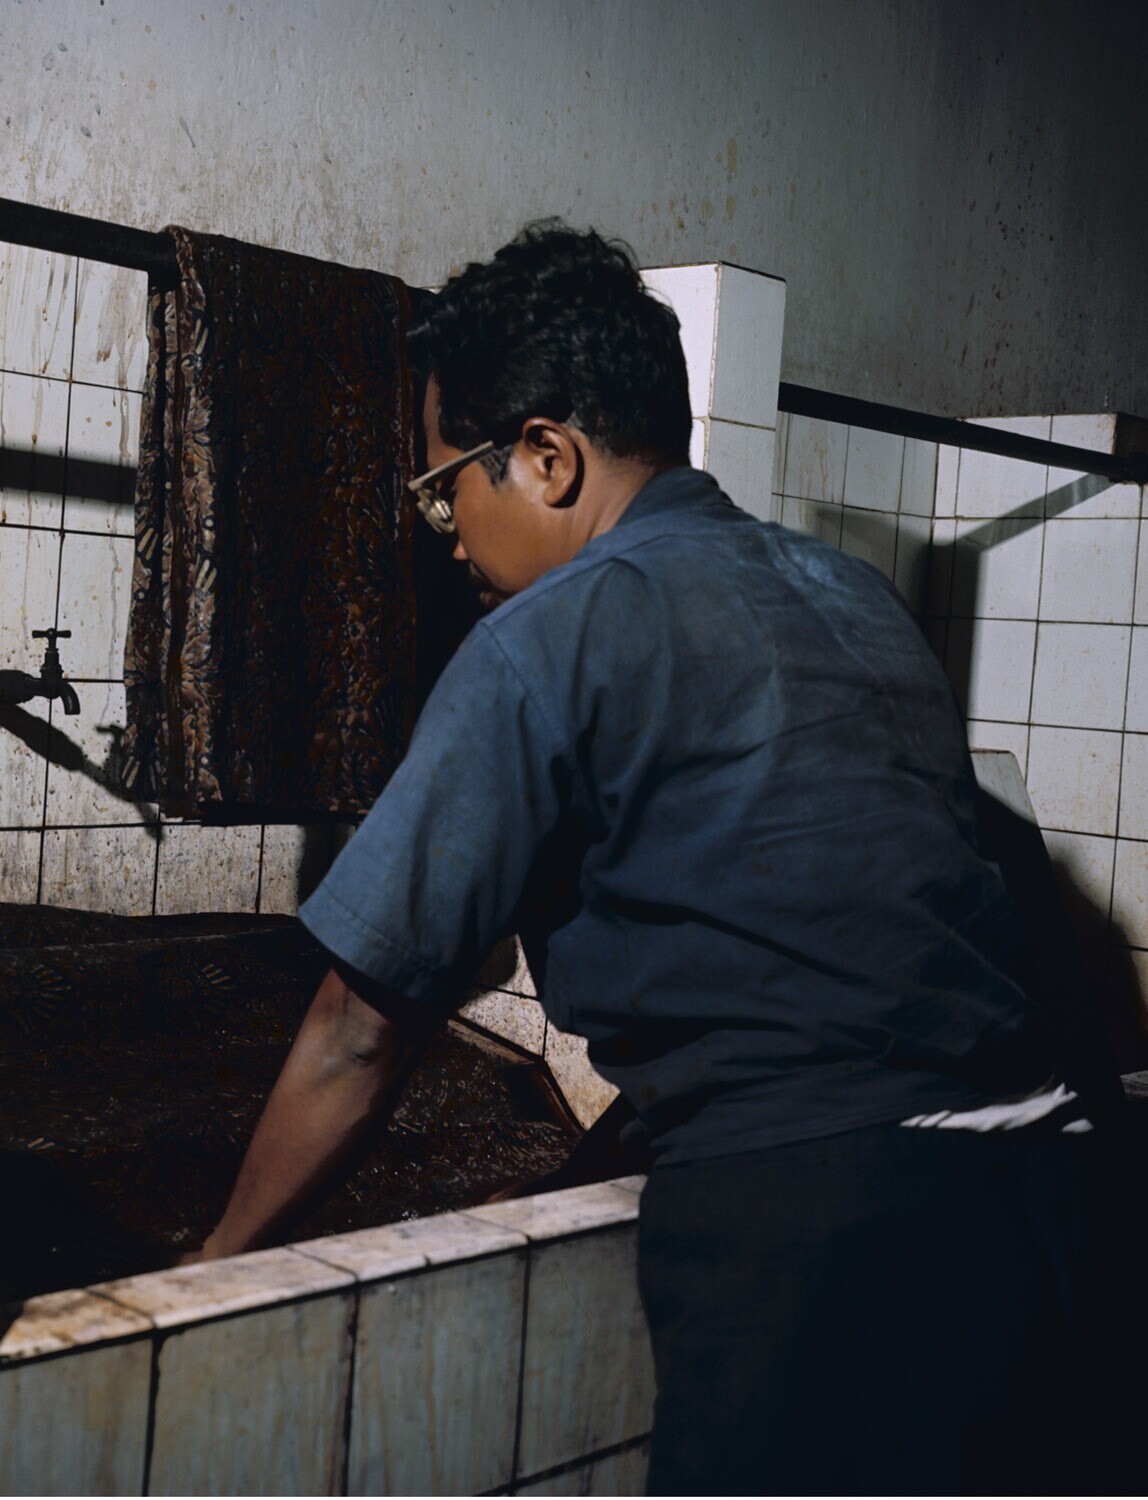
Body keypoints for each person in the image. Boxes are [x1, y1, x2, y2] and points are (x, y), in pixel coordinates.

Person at [184, 222, 1129, 1493]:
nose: (446, 535)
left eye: (445, 488)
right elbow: (857, 965)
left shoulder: (543, 643)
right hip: (1052, 1205)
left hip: (817, 1247)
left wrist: (218, 1265)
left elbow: (360, 1029)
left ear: (546, 458)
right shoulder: (854, 600)